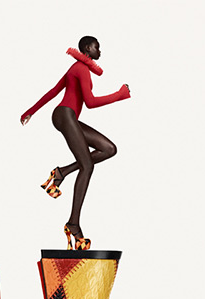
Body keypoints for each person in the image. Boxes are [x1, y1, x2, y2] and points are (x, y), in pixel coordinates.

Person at [21, 36, 131, 250]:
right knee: (87, 166)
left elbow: (54, 91)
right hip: (65, 115)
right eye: (97, 47)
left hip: (67, 116)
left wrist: (30, 112)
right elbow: (90, 102)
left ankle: (61, 172)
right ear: (88, 48)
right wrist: (120, 95)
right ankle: (73, 223)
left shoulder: (78, 68)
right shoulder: (81, 69)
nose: (100, 51)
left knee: (109, 149)